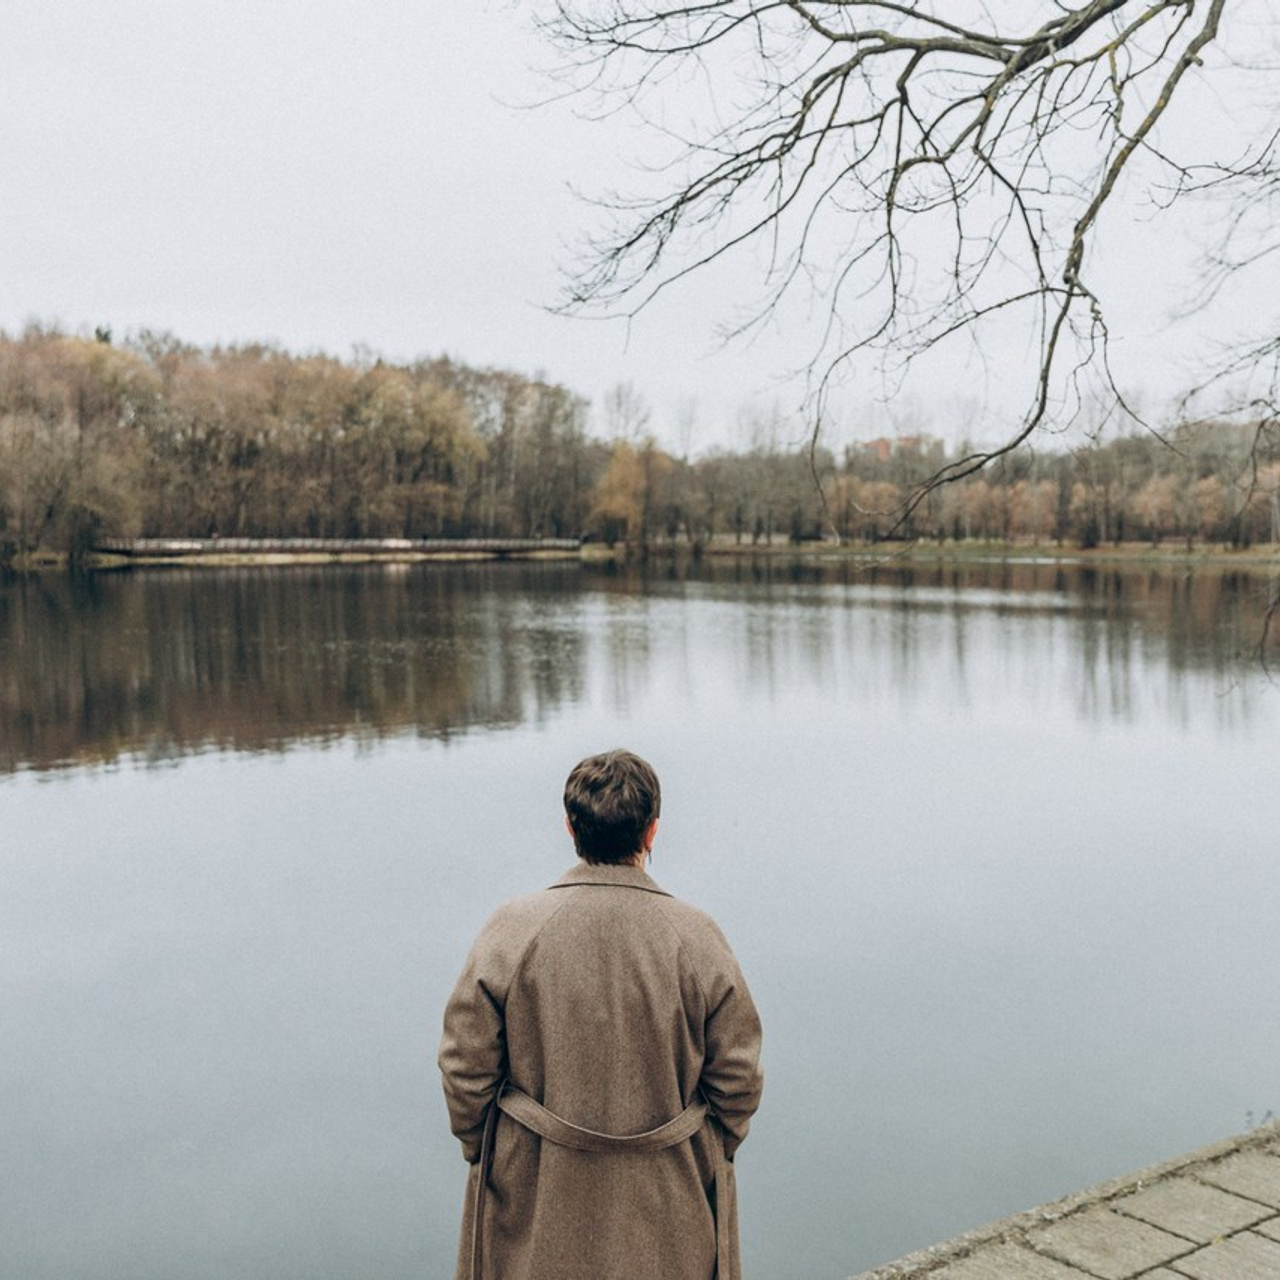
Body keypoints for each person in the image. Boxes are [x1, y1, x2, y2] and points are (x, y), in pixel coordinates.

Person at [439, 749, 764, 1280]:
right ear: (652, 832)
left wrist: (490, 1150)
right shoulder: (698, 937)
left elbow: (463, 1068)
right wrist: (701, 1150)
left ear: (570, 828)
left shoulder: (511, 929)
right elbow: (738, 1080)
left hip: (537, 1189)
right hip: (668, 1188)